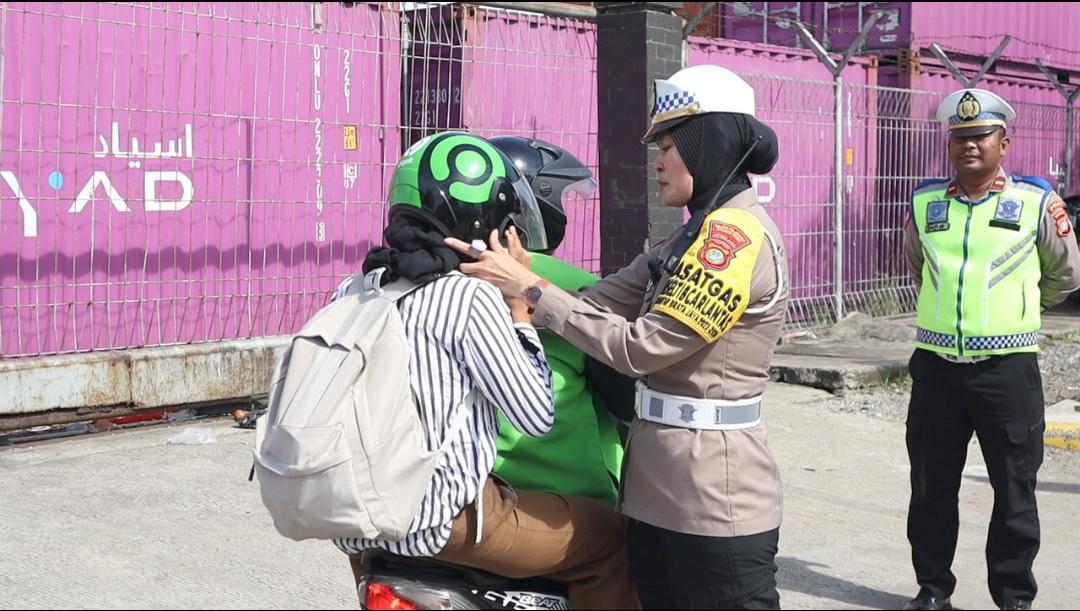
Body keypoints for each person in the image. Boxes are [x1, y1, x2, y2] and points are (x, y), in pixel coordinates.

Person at [447, 64, 790, 610]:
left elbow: (641, 347)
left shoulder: (732, 239)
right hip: (657, 486)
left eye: (670, 146)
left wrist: (532, 289)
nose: (657, 160)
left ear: (712, 144)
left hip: (712, 492)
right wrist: (509, 274)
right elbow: (596, 301)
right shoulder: (690, 235)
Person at [334, 131, 639, 610]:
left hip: (355, 516)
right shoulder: (487, 293)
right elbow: (536, 415)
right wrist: (520, 308)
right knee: (613, 540)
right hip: (449, 515)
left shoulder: (357, 288)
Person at [901, 88, 1080, 611]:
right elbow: (917, 265)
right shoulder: (925, 201)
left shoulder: (1035, 202)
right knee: (931, 489)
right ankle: (933, 591)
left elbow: (1065, 274)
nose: (969, 145)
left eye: (981, 136)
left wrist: (1021, 308)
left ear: (1005, 141)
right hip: (936, 371)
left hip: (1008, 370)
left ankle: (1014, 597)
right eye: (959, 137)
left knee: (1015, 491)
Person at [487, 135, 630, 506]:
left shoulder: (451, 279)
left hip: (477, 487)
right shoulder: (578, 287)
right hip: (576, 493)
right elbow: (626, 402)